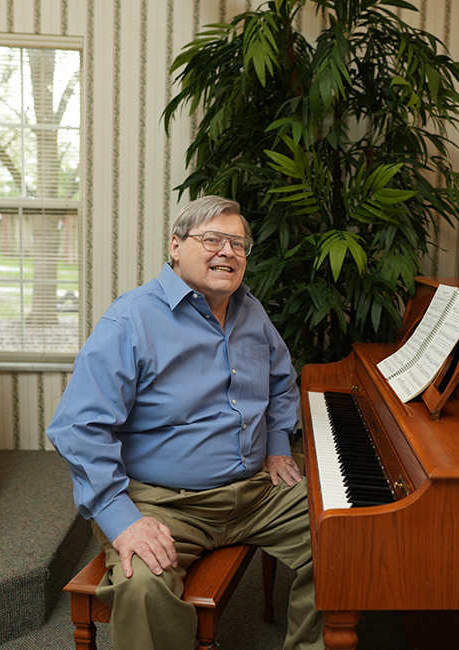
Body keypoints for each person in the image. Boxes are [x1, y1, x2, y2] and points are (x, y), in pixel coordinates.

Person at [47, 195, 322, 650]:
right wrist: (123, 521)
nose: (228, 252)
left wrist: (276, 443)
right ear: (175, 246)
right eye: (212, 239)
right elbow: (78, 428)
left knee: (342, 535)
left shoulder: (251, 311)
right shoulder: (131, 319)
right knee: (142, 586)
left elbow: (281, 379)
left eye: (238, 243)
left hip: (256, 492)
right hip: (163, 503)